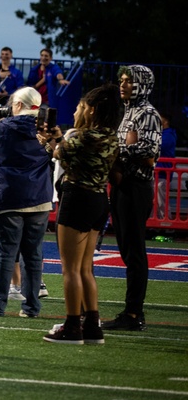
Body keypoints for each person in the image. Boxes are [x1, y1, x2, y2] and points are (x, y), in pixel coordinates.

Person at [40, 84, 122, 344]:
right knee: (86, 267)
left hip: (77, 199)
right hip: (99, 199)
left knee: (71, 269)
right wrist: (60, 138)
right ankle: (93, 325)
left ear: (92, 110)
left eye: (81, 107)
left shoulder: (82, 136)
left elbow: (57, 154)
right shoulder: (111, 136)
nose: (77, 111)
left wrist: (50, 142)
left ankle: (73, 325)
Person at [0, 87, 54, 317]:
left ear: (16, 106)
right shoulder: (44, 129)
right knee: (33, 255)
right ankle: (32, 307)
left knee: (4, 254)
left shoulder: (2, 128)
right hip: (39, 199)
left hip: (8, 198)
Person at [102, 64, 162, 331]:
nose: (123, 84)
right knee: (127, 250)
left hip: (135, 186)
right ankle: (132, 310)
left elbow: (148, 152)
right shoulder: (129, 112)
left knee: (134, 251)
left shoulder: (147, 113)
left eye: (129, 80)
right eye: (122, 80)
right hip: (123, 185)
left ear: (143, 84)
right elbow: (130, 145)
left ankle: (134, 313)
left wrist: (116, 150)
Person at [155, 112, 177, 220]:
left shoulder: (168, 135)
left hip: (163, 173)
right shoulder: (164, 134)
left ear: (166, 121)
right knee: (156, 200)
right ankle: (156, 223)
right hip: (158, 172)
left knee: (161, 200)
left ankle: (166, 223)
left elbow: (160, 147)